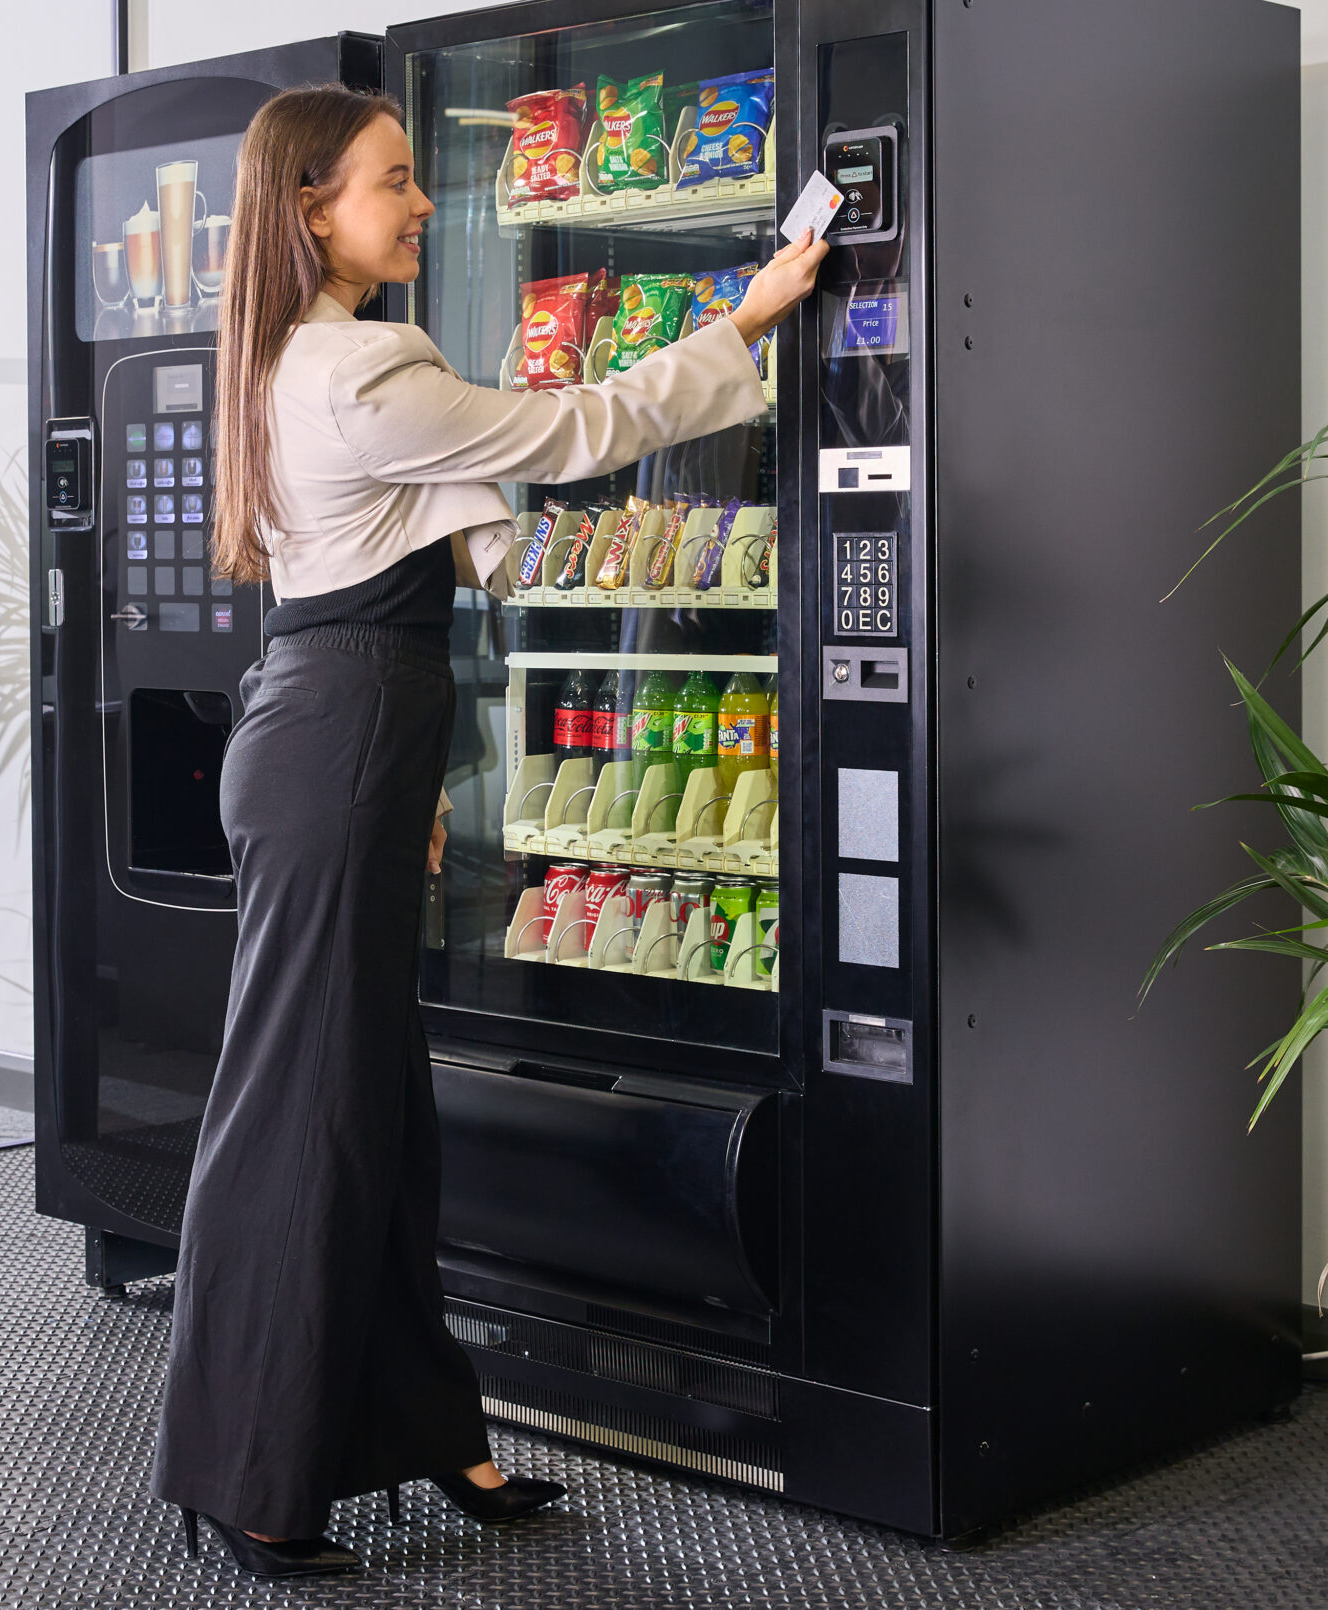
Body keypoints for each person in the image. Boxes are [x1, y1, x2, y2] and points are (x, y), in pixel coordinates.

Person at [152, 82, 825, 1580]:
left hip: (343, 741)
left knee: (373, 1120)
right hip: (341, 743)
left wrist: (404, 796)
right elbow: (576, 424)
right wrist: (754, 316)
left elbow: (400, 574)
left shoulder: (295, 361)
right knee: (302, 1125)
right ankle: (248, 1469)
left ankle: (430, 1436)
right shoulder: (363, 366)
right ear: (315, 206)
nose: (425, 202)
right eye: (396, 182)